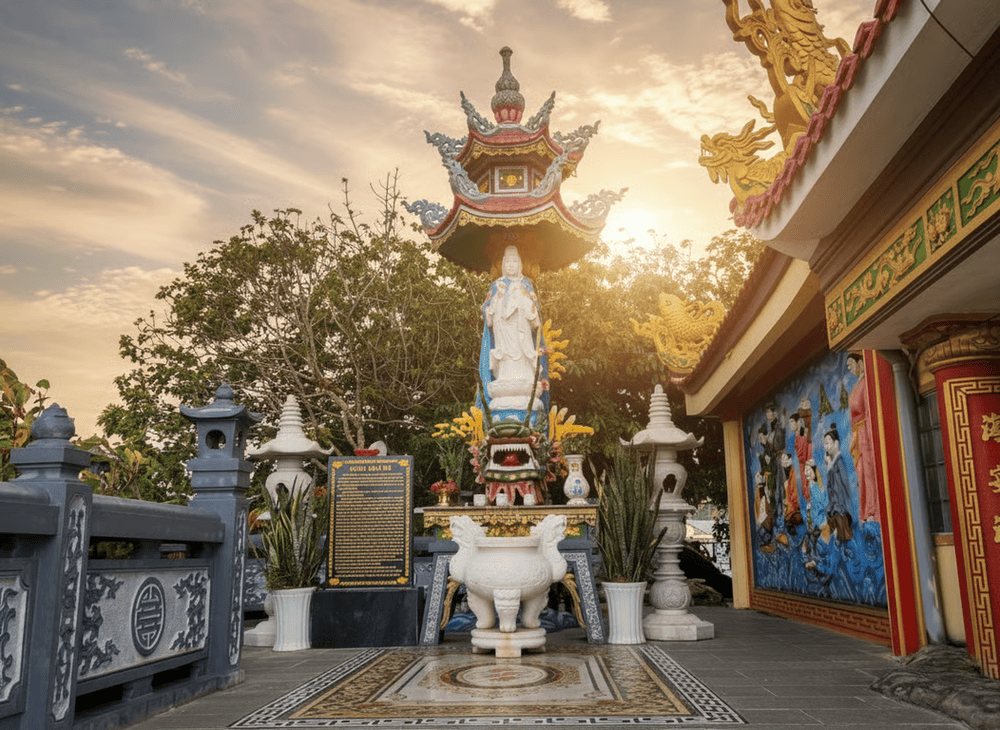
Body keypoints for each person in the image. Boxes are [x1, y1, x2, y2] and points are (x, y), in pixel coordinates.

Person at [480, 245, 545, 413]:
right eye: (507, 261)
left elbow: (535, 316)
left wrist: (521, 301)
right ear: (502, 264)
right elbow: (487, 313)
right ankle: (504, 377)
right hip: (503, 337)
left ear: (520, 264)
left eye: (514, 261)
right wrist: (498, 301)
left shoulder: (526, 284)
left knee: (526, 375)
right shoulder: (496, 285)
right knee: (504, 373)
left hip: (521, 334)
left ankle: (524, 378)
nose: (510, 265)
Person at [847, 353, 879, 522]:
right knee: (860, 473)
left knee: (869, 471)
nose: (850, 368)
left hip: (865, 432)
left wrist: (867, 434)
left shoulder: (866, 384)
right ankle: (866, 509)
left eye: (852, 363)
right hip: (858, 434)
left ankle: (874, 509)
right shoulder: (856, 386)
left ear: (860, 362)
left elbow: (868, 411)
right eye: (848, 365)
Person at [823, 424, 853, 542]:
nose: (827, 446)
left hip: (840, 505)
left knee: (844, 533)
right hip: (833, 505)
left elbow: (845, 483)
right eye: (825, 443)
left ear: (836, 444)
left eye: (829, 442)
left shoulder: (838, 462)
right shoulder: (831, 464)